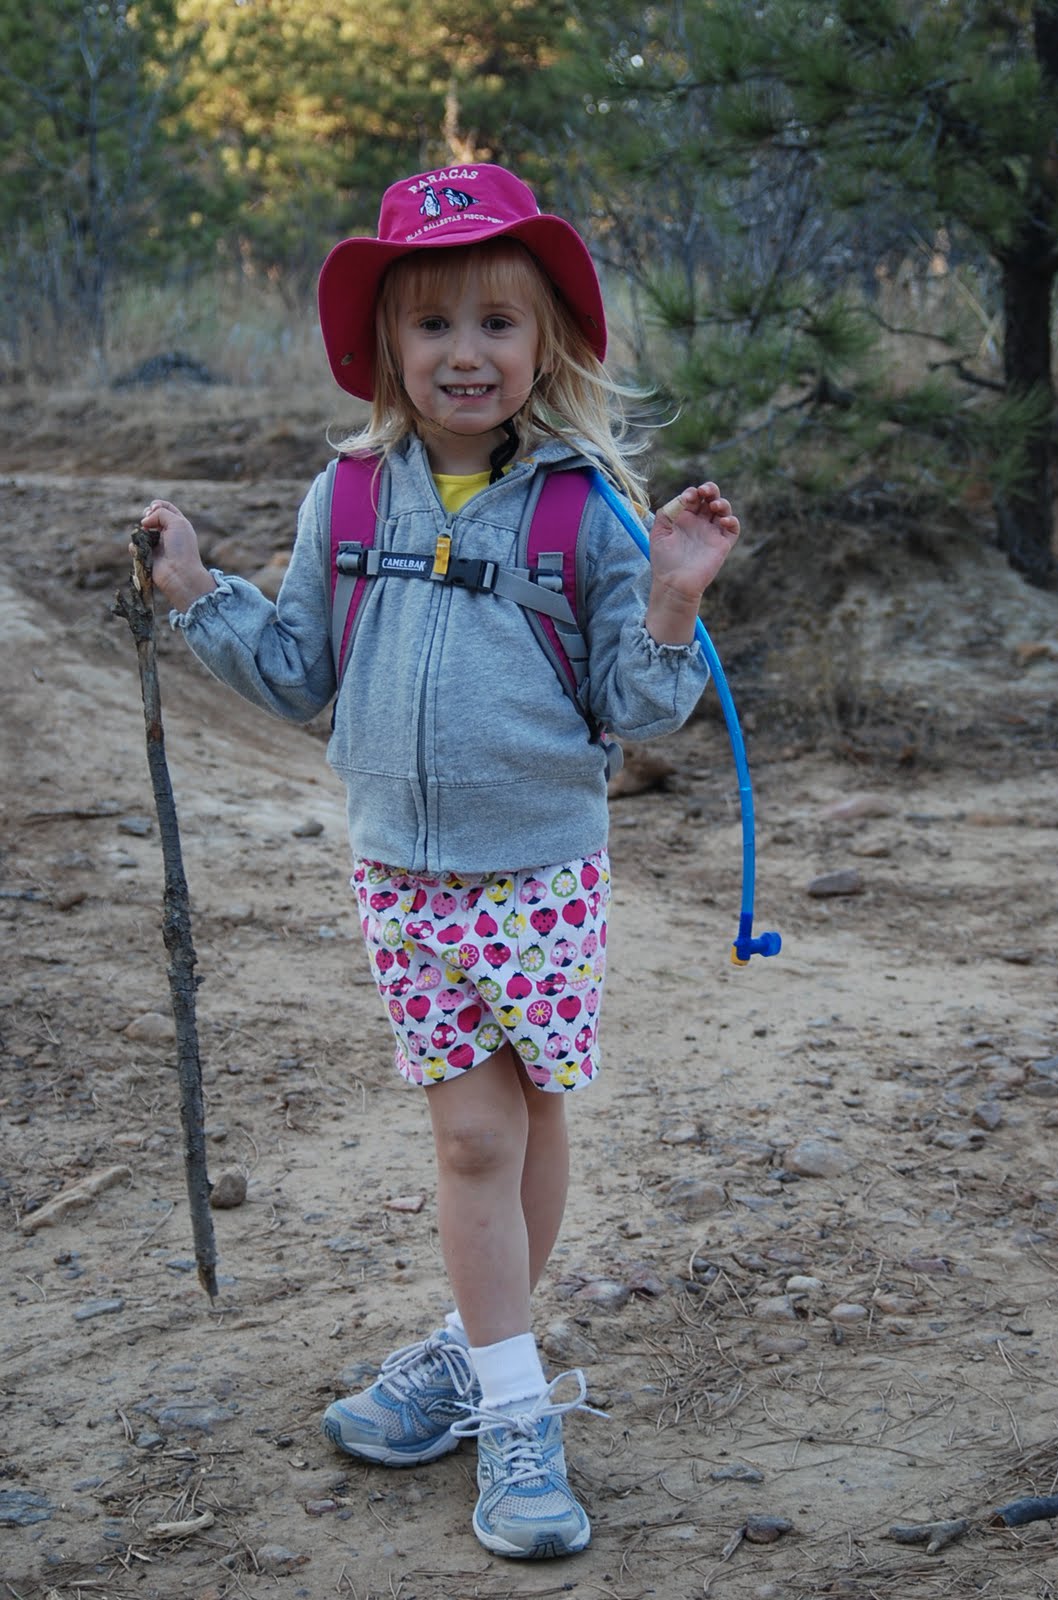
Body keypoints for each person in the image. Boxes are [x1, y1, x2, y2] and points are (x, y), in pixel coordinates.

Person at [140, 162, 740, 1562]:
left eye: (496, 323)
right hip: (402, 875)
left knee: (519, 1119)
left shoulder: (586, 508)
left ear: (548, 343)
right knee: (475, 1135)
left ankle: (492, 1377)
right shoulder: (347, 498)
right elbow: (299, 672)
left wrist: (671, 596)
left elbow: (638, 708)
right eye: (432, 324)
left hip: (540, 871)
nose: (465, 354)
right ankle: (507, 1389)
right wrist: (198, 593)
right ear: (385, 345)